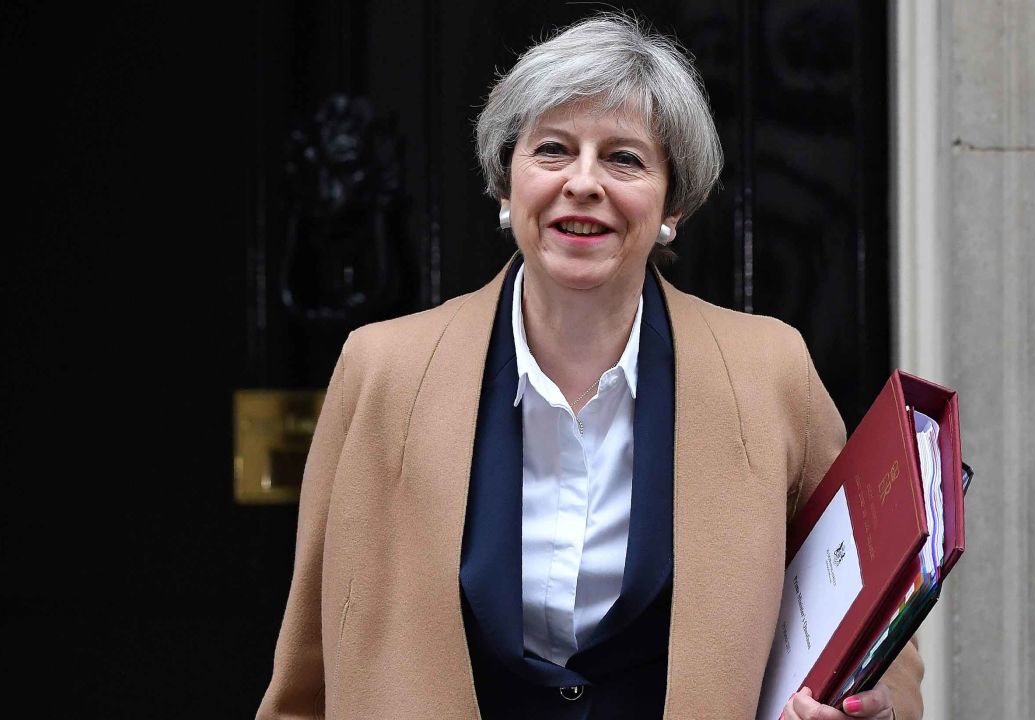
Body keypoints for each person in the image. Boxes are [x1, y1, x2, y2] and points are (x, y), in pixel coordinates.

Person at [258, 13, 923, 720]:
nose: (583, 183)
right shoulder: (382, 370)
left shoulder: (768, 372)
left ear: (673, 204)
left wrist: (872, 703)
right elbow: (308, 675)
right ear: (506, 185)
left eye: (624, 159)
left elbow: (874, 598)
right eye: (553, 150)